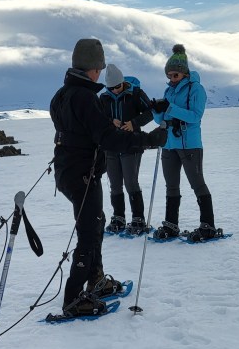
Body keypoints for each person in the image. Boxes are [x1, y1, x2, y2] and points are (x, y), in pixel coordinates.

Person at [50, 39, 168, 317]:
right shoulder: (84, 97)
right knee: (89, 233)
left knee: (96, 222)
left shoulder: (61, 95)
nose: (100, 73)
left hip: (69, 172)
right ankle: (73, 298)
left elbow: (81, 133)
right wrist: (149, 139)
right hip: (83, 175)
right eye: (99, 67)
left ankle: (98, 281)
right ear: (93, 68)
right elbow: (108, 138)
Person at [151, 44, 220, 241]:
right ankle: (171, 224)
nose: (172, 79)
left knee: (197, 184)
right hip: (170, 144)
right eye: (169, 75)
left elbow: (195, 116)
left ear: (184, 73)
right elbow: (161, 120)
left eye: (175, 75)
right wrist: (157, 110)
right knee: (171, 186)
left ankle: (208, 225)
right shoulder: (169, 91)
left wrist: (170, 107)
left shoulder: (196, 89)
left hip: (190, 144)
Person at [99, 63, 155, 236]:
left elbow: (151, 112)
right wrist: (110, 121)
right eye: (111, 88)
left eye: (117, 86)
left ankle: (138, 218)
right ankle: (118, 217)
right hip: (111, 147)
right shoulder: (103, 98)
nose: (115, 91)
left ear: (122, 82)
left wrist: (134, 123)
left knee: (131, 182)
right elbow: (97, 118)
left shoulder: (135, 94)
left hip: (132, 144)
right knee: (115, 184)